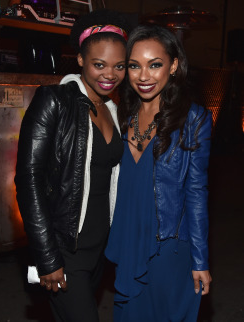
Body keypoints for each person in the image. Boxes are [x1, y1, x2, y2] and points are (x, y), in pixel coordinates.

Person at [15, 9, 129, 322]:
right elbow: (29, 180)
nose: (110, 74)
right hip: (64, 250)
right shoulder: (53, 101)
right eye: (99, 64)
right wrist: (47, 258)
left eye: (119, 66)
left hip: (99, 249)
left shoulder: (114, 111)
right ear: (80, 60)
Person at [105, 24, 212, 322]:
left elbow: (196, 193)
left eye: (155, 65)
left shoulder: (194, 119)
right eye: (134, 66)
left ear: (174, 65)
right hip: (128, 238)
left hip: (166, 245)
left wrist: (200, 260)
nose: (143, 76)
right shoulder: (121, 113)